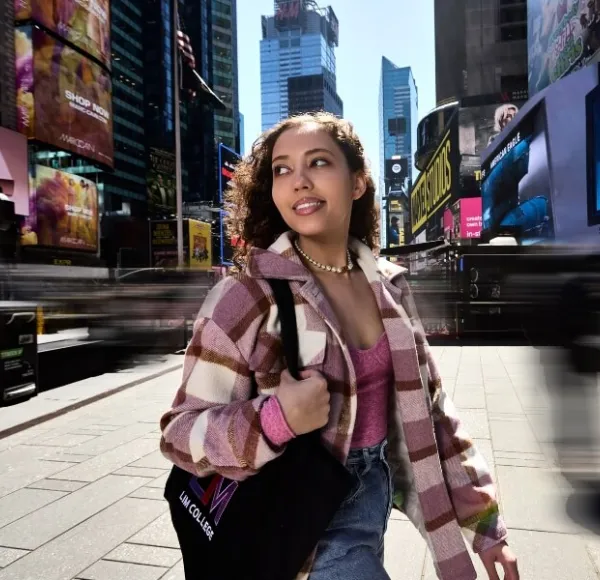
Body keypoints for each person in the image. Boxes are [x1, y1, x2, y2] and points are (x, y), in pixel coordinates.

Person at [159, 112, 519, 580]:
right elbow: (179, 435)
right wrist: (275, 420)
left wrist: (487, 527)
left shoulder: (389, 288)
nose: (299, 182)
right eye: (282, 170)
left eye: (319, 162)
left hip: (372, 497)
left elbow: (434, 415)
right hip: (299, 524)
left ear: (358, 182)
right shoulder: (247, 296)